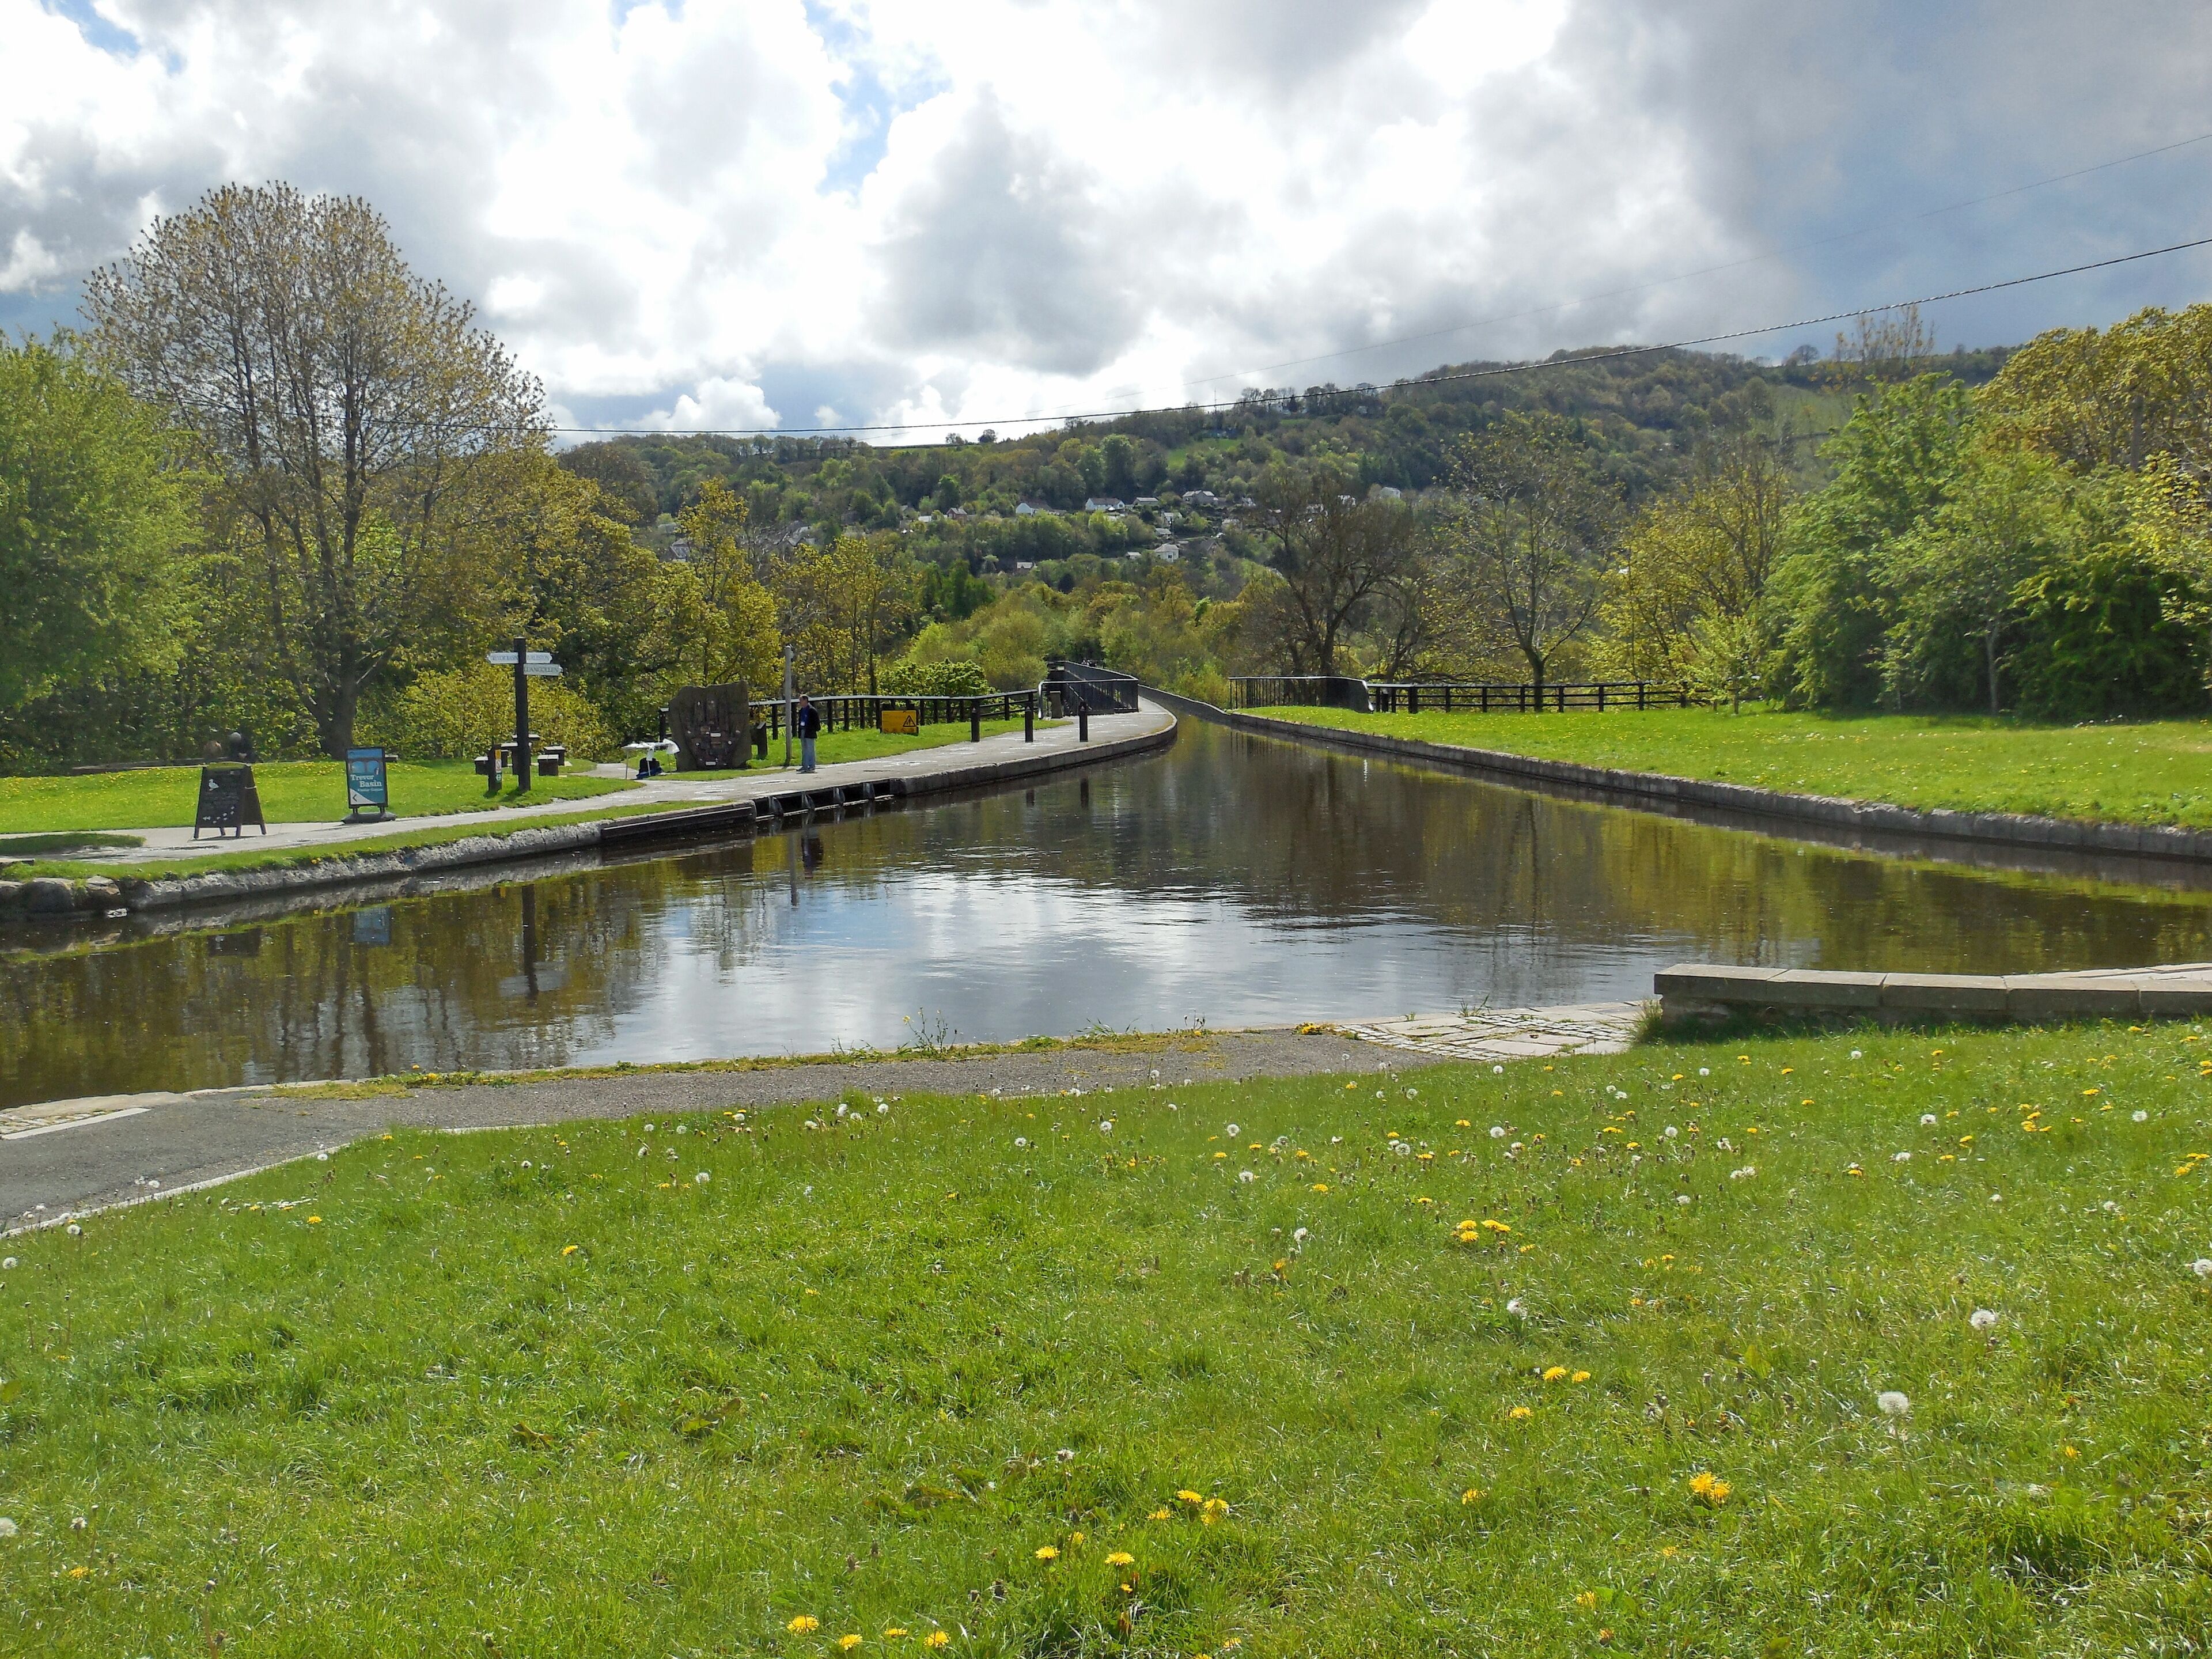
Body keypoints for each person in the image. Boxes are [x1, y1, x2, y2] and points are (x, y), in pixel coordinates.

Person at [796, 695, 820, 773]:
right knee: (804, 749)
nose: (800, 703)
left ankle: (811, 766)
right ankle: (805, 765)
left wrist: (815, 729)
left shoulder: (812, 710)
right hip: (803, 731)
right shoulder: (802, 710)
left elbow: (816, 722)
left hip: (810, 732)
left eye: (801, 700)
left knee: (810, 749)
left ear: (806, 700)